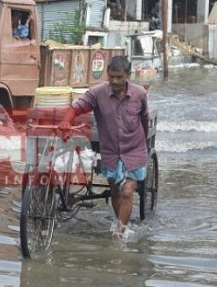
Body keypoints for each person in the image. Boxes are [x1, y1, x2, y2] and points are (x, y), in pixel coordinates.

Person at [59, 55, 149, 241]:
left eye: (120, 77)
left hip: (134, 150)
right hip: (111, 151)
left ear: (128, 75)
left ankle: (119, 233)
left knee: (127, 191)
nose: (115, 81)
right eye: (112, 77)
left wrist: (144, 147)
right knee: (115, 190)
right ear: (107, 75)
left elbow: (145, 120)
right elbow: (76, 107)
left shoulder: (139, 94)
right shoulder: (98, 93)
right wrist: (66, 122)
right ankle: (121, 222)